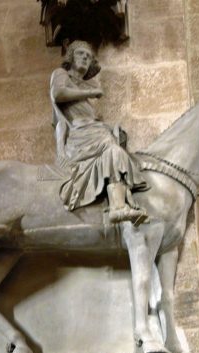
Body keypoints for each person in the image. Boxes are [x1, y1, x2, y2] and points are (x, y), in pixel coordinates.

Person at [50, 40, 148, 225]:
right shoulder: (61, 74)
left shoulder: (86, 87)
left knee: (116, 147)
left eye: (88, 57)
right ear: (71, 56)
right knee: (113, 151)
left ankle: (119, 203)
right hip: (80, 136)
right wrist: (91, 93)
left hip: (94, 132)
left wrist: (111, 128)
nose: (85, 58)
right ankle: (118, 208)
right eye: (80, 54)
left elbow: (92, 120)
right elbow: (58, 93)